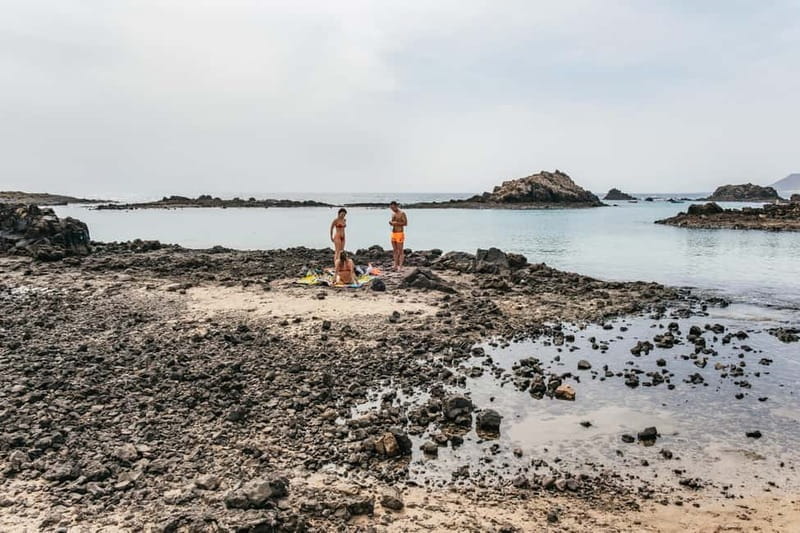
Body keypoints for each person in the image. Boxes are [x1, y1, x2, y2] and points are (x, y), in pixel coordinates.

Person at [389, 201, 407, 271]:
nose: (392, 209)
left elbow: (405, 223)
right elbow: (393, 223)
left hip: (400, 233)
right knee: (394, 250)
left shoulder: (402, 213)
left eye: (393, 207)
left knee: (400, 250)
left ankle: (400, 266)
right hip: (393, 233)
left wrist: (396, 223)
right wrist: (391, 223)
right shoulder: (393, 214)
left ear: (396, 206)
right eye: (391, 208)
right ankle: (395, 265)